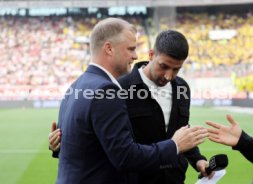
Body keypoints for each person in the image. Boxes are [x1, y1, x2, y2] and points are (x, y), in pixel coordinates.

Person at [54, 17, 208, 184]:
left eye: (176, 69)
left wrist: (197, 159)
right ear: (109, 48)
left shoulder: (75, 86)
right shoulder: (111, 90)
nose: (135, 55)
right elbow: (125, 155)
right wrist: (174, 146)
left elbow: (83, 140)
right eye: (131, 49)